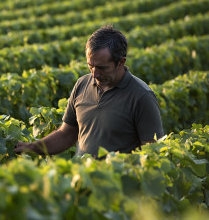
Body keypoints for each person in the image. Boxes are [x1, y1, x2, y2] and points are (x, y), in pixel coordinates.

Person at [14, 24, 164, 157]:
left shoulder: (141, 96)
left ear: (121, 62)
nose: (94, 74)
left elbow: (151, 153)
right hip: (83, 182)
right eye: (90, 66)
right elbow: (66, 135)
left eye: (101, 68)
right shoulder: (82, 84)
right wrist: (33, 147)